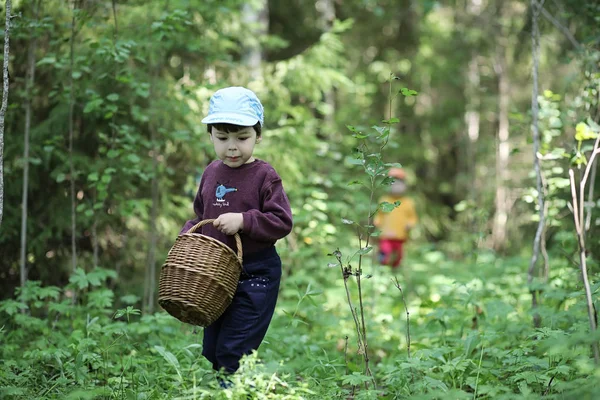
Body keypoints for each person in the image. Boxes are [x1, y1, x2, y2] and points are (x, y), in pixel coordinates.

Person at [179, 86, 293, 378]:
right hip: (216, 273)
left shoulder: (264, 176)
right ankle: (225, 384)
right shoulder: (210, 173)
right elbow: (201, 216)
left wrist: (244, 220)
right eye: (222, 138)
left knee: (235, 345)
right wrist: (187, 235)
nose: (232, 147)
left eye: (242, 138)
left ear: (258, 135)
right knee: (213, 344)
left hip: (256, 273)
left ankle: (232, 389)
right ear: (211, 136)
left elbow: (281, 221)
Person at [373, 167, 418, 269]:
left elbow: (412, 218)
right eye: (392, 182)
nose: (396, 185)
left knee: (398, 256)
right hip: (385, 235)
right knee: (384, 253)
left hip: (400, 236)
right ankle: (382, 269)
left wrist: (410, 224)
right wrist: (377, 222)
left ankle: (395, 273)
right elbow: (379, 215)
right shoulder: (384, 200)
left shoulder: (408, 202)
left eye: (399, 182)